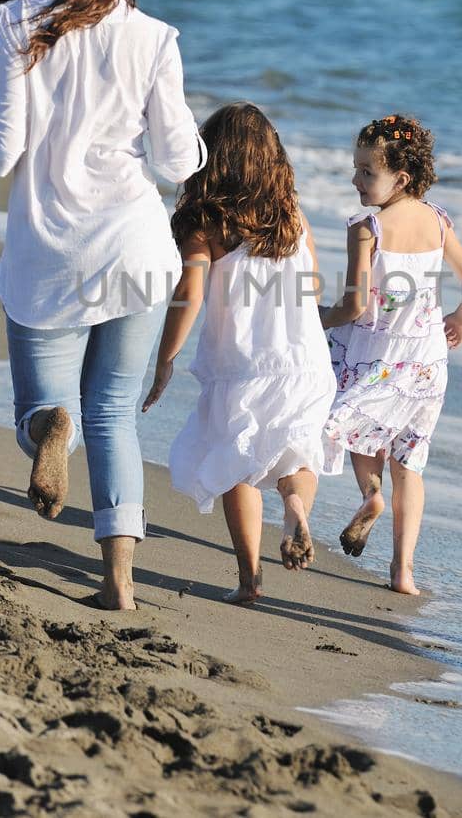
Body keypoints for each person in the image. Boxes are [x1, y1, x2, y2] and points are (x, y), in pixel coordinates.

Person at [0, 0, 205, 611]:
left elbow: (6, 145)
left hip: (50, 248)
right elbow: (177, 162)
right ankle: (119, 579)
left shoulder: (16, 20)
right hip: (137, 246)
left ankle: (49, 429)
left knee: (51, 408)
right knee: (114, 411)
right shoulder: (155, 38)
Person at [143, 102, 341, 604]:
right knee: (296, 451)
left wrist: (165, 358)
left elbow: (188, 297)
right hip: (305, 361)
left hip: (243, 367)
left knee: (239, 465)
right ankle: (296, 510)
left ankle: (250, 579)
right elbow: (312, 285)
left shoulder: (203, 222)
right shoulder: (291, 215)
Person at [320, 114, 462, 596]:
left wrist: (318, 318)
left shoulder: (367, 225)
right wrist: (461, 320)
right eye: (356, 169)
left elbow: (354, 305)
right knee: (410, 462)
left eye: (367, 172)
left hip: (378, 353)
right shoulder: (437, 219)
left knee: (358, 434)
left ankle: (371, 497)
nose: (356, 180)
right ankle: (404, 573)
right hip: (429, 360)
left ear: (401, 177)